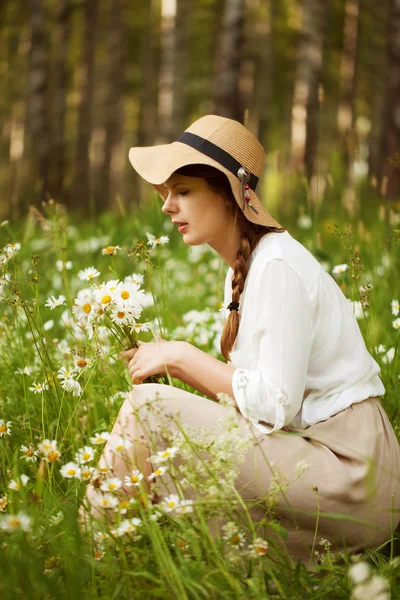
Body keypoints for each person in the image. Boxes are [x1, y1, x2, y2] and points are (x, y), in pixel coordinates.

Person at [82, 114, 400, 564]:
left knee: (149, 407)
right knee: (158, 416)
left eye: (184, 191)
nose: (167, 207)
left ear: (231, 196)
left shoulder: (277, 266)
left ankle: (87, 557)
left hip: (351, 474)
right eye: (167, 193)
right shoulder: (245, 269)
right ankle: (113, 552)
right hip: (318, 456)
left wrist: (179, 357)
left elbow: (274, 406)